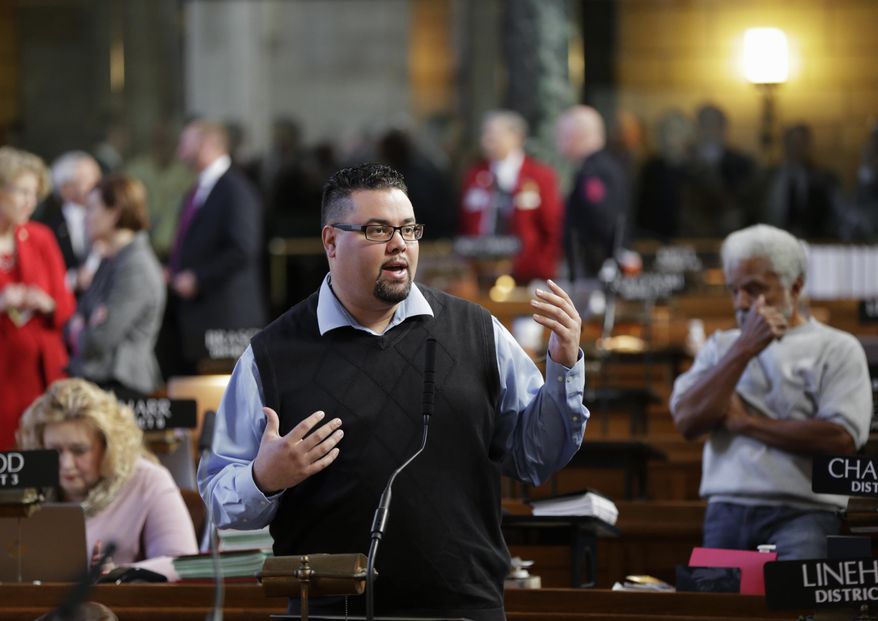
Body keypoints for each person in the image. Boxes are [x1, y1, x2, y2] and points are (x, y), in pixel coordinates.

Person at [198, 163, 588, 619]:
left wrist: (563, 368)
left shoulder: (477, 331)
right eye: (378, 230)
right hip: (329, 609)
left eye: (408, 229)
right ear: (330, 242)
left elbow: (537, 456)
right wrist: (265, 478)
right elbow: (218, 497)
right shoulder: (271, 355)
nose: (399, 244)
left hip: (462, 606)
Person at [670, 224, 873, 560]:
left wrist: (745, 423)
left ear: (795, 287)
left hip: (805, 512)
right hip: (726, 510)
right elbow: (687, 421)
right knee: (714, 612)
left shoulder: (837, 348)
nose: (742, 302)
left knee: (792, 613)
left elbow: (840, 439)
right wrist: (743, 348)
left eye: (754, 289)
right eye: (734, 290)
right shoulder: (721, 347)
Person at [17, 378, 198, 580]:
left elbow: (183, 562)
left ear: (108, 447)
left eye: (79, 450)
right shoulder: (24, 482)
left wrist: (119, 573)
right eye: (54, 451)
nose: (66, 464)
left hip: (117, 608)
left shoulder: (147, 480)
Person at [165, 119, 267, 373]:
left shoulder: (235, 189)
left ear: (207, 145)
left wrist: (198, 277)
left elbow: (242, 248)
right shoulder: (200, 188)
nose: (180, 152)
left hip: (226, 320)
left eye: (185, 144)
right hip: (201, 317)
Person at [0, 146, 75, 451]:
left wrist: (47, 303)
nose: (31, 201)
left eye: (36, 193)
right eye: (23, 192)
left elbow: (67, 306)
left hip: (43, 377)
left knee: (44, 465)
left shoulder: (41, 236)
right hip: (4, 378)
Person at [67, 174, 165, 396]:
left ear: (114, 213)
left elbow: (96, 341)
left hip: (123, 390)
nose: (85, 217)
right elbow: (76, 316)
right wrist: (82, 325)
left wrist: (80, 328)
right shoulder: (111, 259)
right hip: (100, 386)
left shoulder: (135, 266)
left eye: (92, 208)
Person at [458, 109, 563, 282]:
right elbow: (464, 224)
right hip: (481, 272)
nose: (486, 139)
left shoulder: (540, 176)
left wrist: (542, 267)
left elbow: (553, 227)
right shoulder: (474, 176)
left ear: (516, 136)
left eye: (493, 133)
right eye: (485, 133)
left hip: (528, 273)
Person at [556, 105, 629, 281]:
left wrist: (600, 262)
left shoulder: (595, 171)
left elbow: (603, 219)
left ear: (578, 135)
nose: (558, 142)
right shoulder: (598, 165)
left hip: (595, 268)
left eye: (562, 136)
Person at [33, 151, 102, 292]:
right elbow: (42, 278)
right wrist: (75, 279)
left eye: (98, 177)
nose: (97, 185)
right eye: (87, 180)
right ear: (66, 189)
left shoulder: (107, 219)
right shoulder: (47, 228)